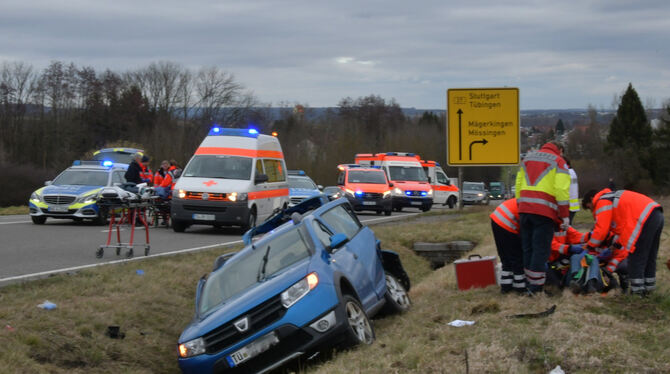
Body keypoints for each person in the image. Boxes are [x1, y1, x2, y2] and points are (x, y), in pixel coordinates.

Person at [582, 188, 664, 295]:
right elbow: (625, 229)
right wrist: (617, 245)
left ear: (592, 199)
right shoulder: (612, 198)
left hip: (643, 218)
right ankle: (649, 291)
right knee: (649, 257)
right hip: (656, 213)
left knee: (636, 256)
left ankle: (637, 293)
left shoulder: (602, 201)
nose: (592, 211)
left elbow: (601, 231)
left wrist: (589, 247)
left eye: (589, 207)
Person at [515, 142, 571, 295]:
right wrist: (565, 216)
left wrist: (521, 205)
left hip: (525, 210)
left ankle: (528, 284)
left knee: (528, 249)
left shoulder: (527, 158)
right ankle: (536, 288)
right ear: (560, 150)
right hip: (544, 213)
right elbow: (561, 190)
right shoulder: (559, 161)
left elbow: (518, 184)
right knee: (540, 250)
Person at [490, 198, 525, 293]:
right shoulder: (533, 206)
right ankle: (520, 287)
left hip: (496, 219)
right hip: (507, 222)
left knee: (505, 256)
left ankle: (506, 287)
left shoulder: (523, 200)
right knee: (516, 256)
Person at [564, 157, 579, 224]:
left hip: (568, 205)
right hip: (573, 205)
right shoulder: (572, 172)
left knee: (565, 229)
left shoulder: (567, 173)